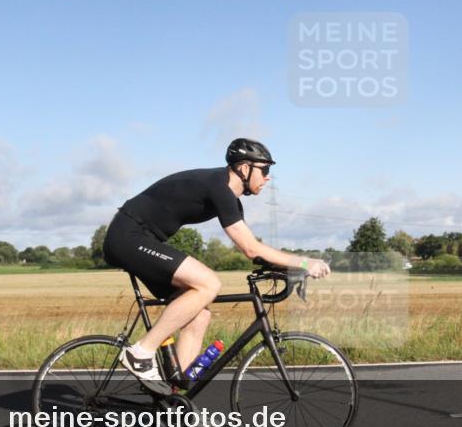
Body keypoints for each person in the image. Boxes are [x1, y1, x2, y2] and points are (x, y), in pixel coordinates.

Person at [103, 138, 331, 388]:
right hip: (128, 236)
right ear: (245, 168)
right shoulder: (218, 186)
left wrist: (291, 269)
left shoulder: (230, 199)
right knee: (209, 284)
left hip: (142, 238)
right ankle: (141, 353)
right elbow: (250, 247)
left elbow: (255, 254)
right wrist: (305, 262)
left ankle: (173, 398)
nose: (267, 178)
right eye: (265, 170)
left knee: (199, 315)